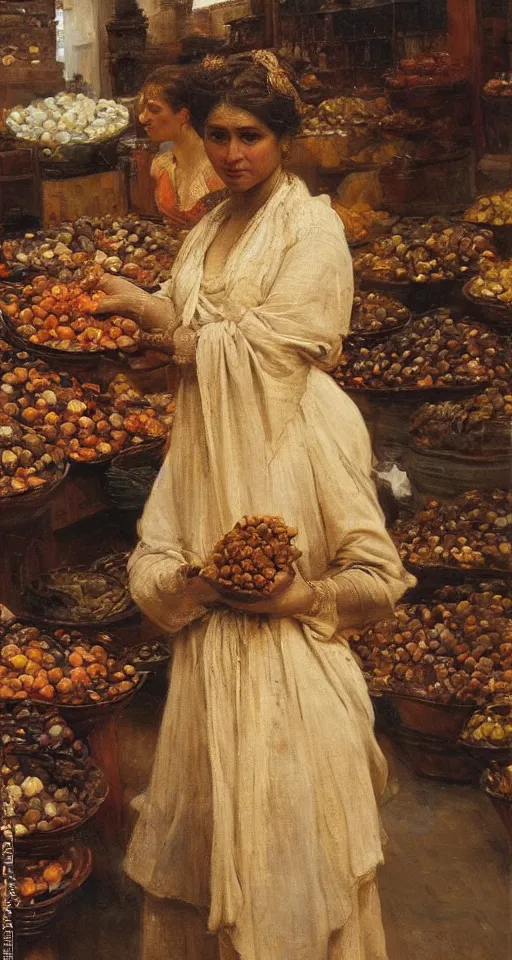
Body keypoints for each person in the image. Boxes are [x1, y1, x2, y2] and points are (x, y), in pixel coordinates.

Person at [96, 50, 415, 960]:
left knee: (296, 719)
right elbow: (197, 319)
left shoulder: (309, 229)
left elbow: (282, 344)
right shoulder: (209, 227)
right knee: (204, 600)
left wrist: (183, 347)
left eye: (253, 137)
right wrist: (143, 310)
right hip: (213, 439)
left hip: (285, 437)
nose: (234, 153)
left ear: (284, 140)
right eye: (221, 136)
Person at [137, 65, 226, 228]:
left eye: (154, 110)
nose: (142, 118)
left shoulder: (219, 169)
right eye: (143, 109)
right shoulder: (161, 165)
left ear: (183, 115)